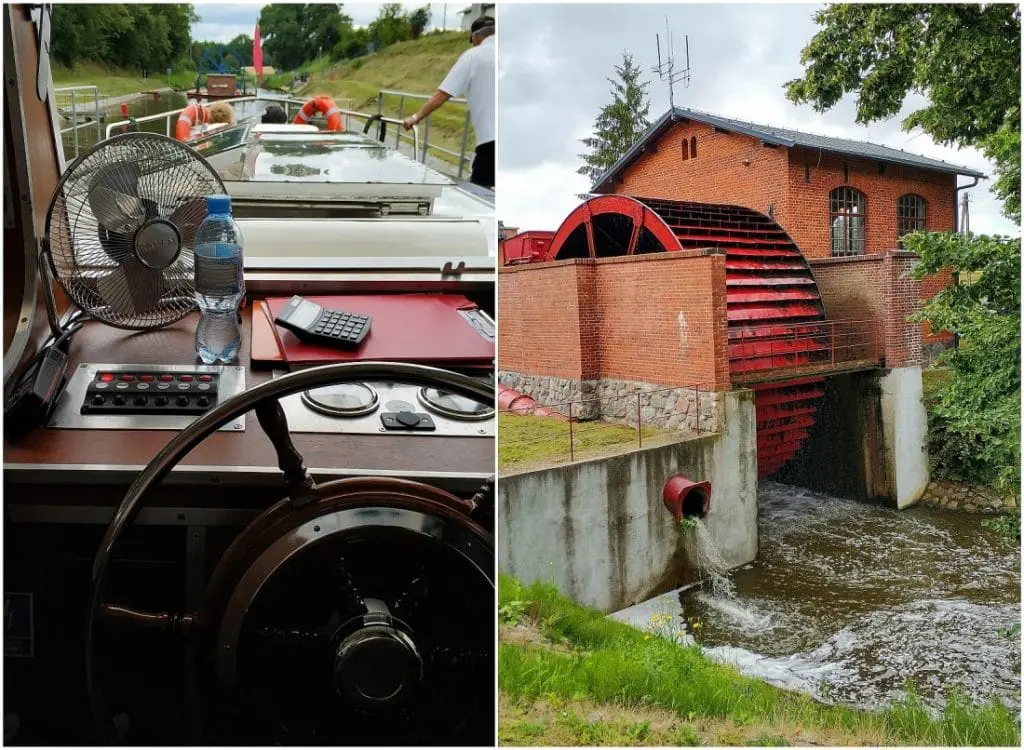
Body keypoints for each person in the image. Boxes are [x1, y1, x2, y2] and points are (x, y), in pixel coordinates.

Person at [403, 15, 494, 189]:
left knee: (480, 194)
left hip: (491, 141)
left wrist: (415, 118)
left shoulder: (472, 56)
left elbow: (442, 95)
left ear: (475, 36)